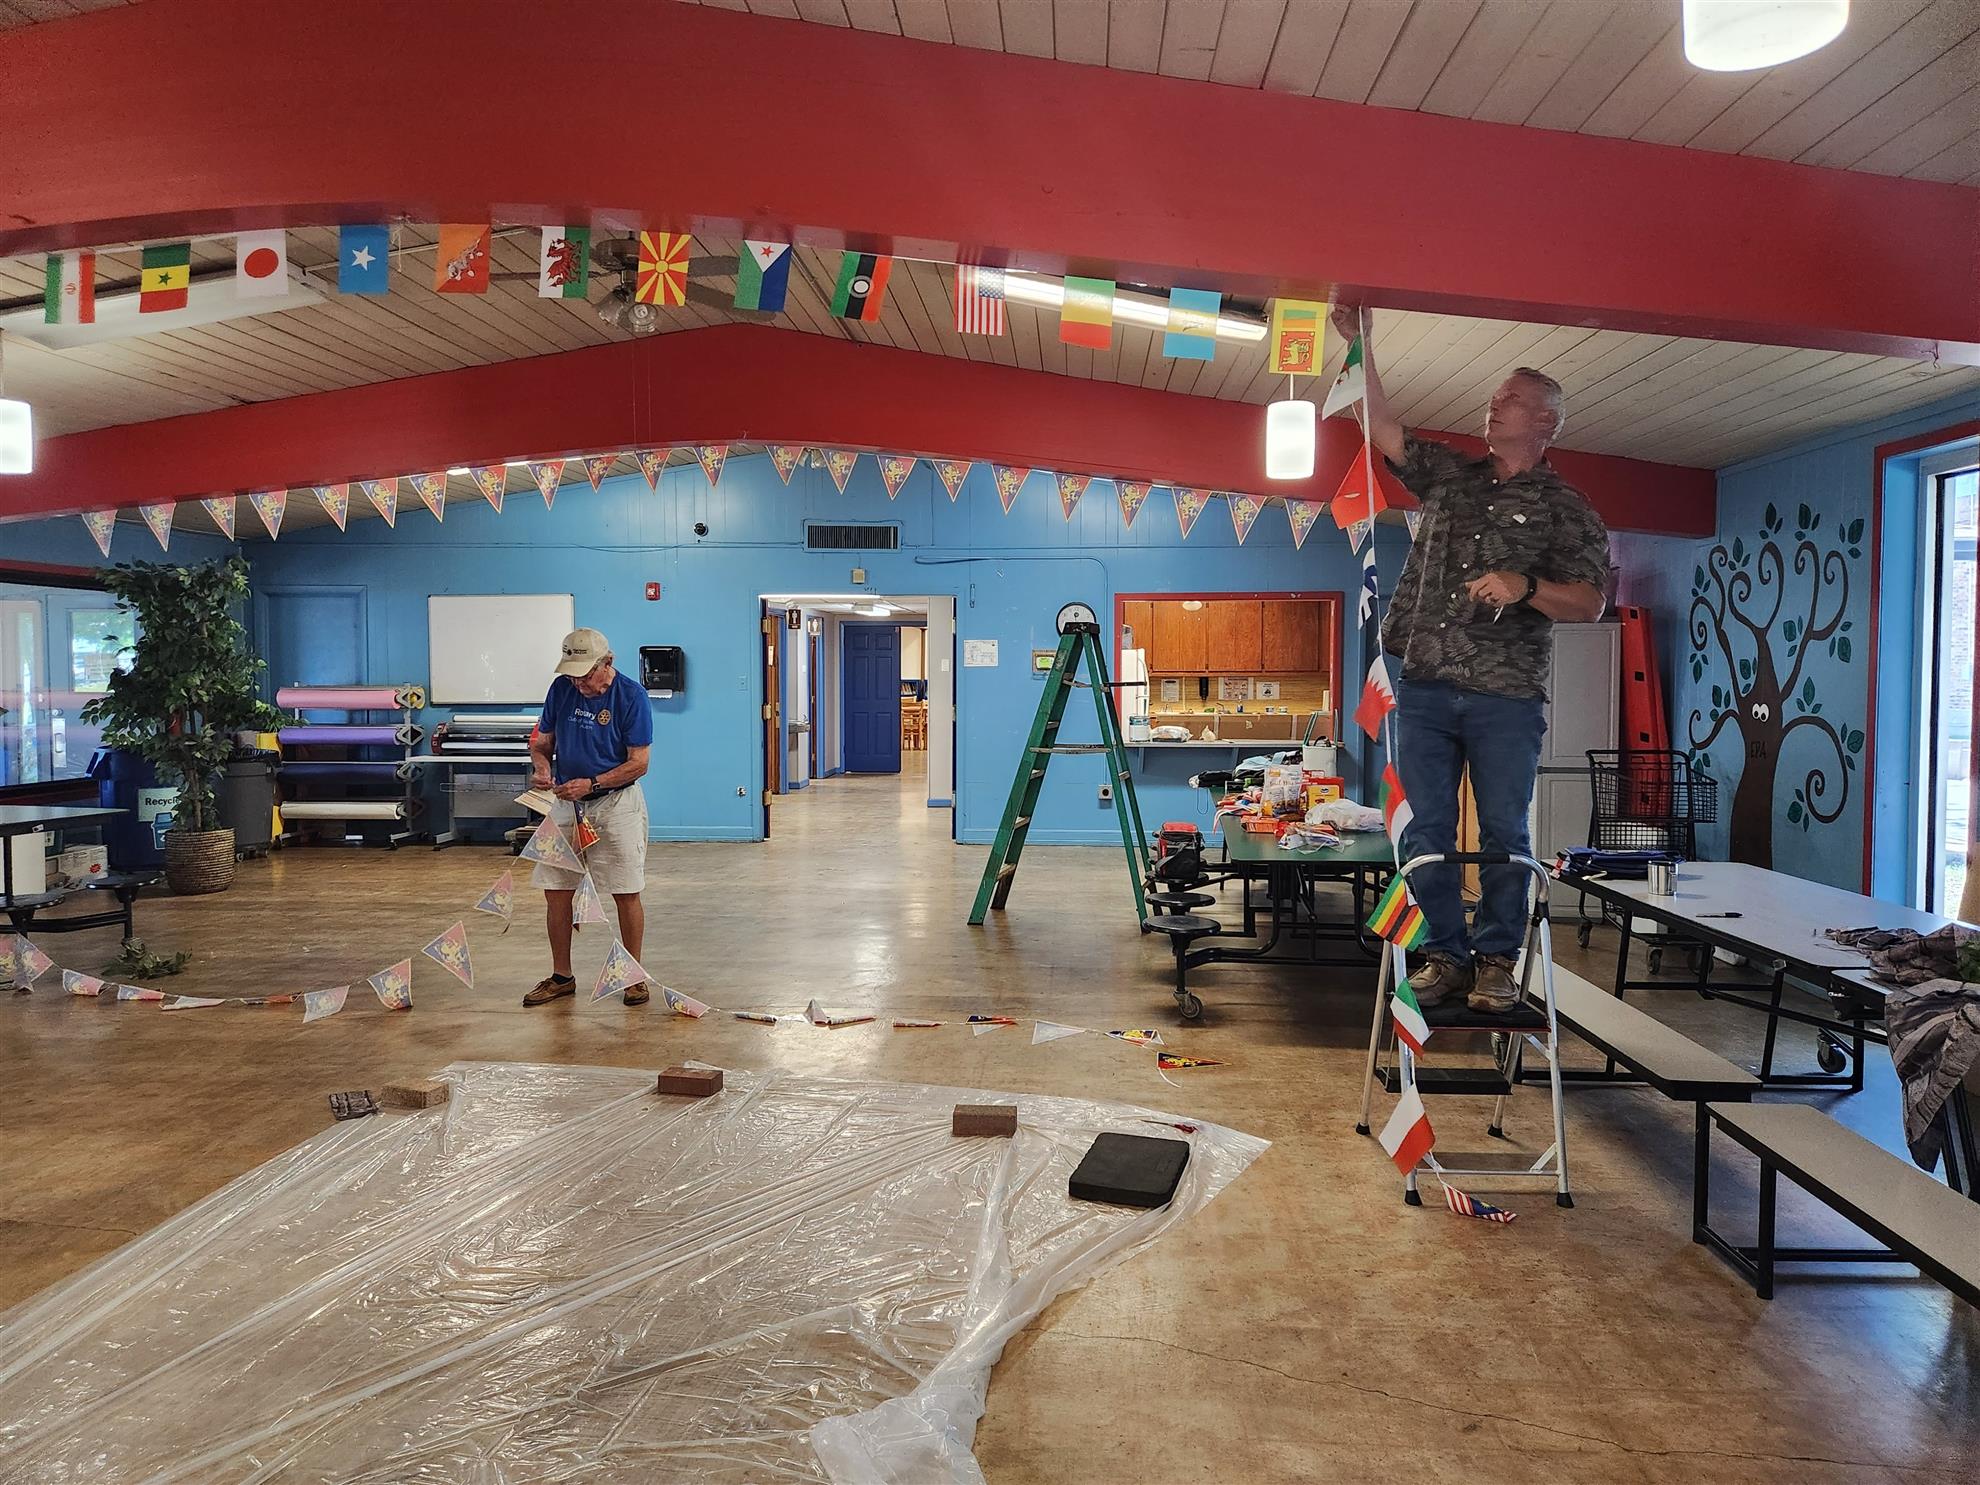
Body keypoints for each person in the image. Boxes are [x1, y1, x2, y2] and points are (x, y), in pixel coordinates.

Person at [1335, 303, 1609, 1014]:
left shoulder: (1567, 508)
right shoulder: (1452, 478)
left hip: (1505, 697)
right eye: (1494, 397)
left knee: (1504, 833)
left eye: (1510, 399)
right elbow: (1382, 430)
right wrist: (1361, 346)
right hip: (1425, 684)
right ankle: (1445, 955)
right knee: (1423, 829)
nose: (1494, 405)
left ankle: (1495, 961)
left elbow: (1590, 603)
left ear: (1545, 422)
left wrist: (1525, 586)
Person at [523, 628, 653, 1006]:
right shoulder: (561, 689)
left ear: (606, 663)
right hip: (567, 803)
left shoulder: (631, 696)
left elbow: (639, 763)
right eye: (572, 674)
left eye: (584, 674)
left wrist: (593, 783)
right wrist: (542, 767)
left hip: (616, 804)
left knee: (626, 890)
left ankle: (633, 977)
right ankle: (561, 976)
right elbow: (542, 743)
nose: (578, 682)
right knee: (555, 889)